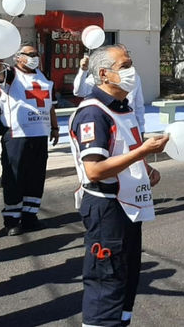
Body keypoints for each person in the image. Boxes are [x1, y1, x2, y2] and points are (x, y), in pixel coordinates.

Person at [68, 44, 167, 326]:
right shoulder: (93, 113)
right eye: (124, 67)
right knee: (106, 279)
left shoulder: (121, 109)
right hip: (106, 207)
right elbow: (95, 169)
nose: (131, 72)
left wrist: (146, 169)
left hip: (128, 205)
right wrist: (142, 153)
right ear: (103, 74)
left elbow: (123, 150)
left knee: (126, 275)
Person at [0, 43, 59, 236]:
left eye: (36, 54)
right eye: (29, 54)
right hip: (17, 135)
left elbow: (50, 105)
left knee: (36, 177)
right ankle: (12, 219)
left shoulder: (43, 77)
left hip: (39, 134)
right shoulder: (11, 74)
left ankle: (30, 216)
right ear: (18, 57)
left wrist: (54, 127)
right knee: (14, 178)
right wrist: (0, 47)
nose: (34, 57)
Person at [73, 54, 146, 133]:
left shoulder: (135, 78)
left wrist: (141, 128)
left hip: (129, 125)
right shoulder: (98, 77)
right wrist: (83, 71)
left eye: (129, 64)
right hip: (106, 125)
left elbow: (139, 105)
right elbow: (79, 91)